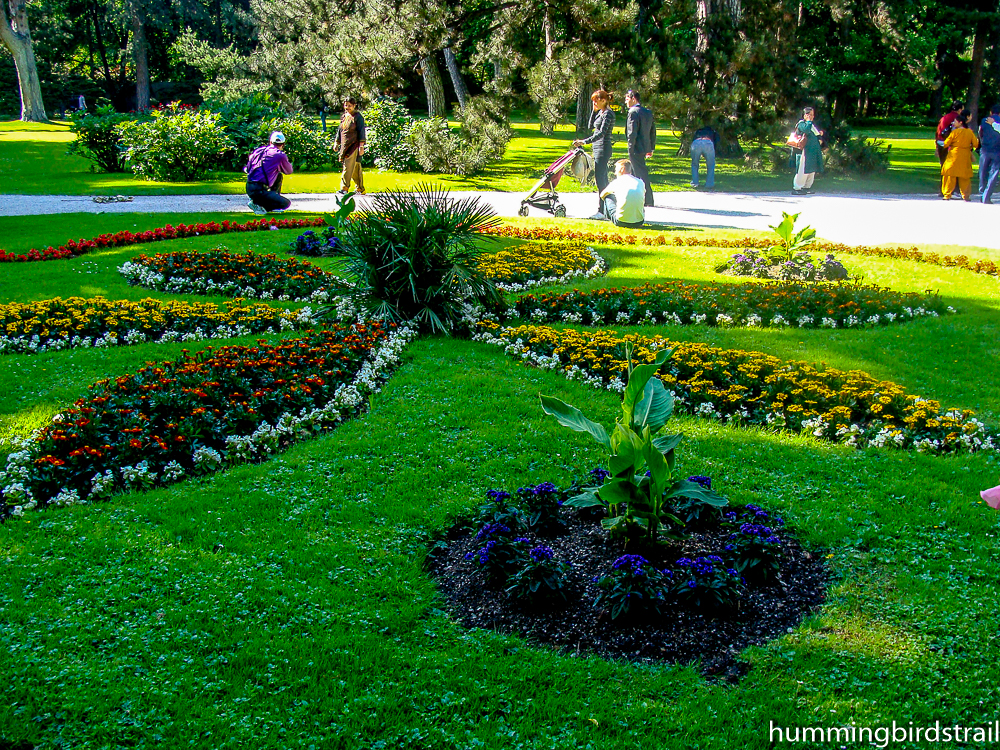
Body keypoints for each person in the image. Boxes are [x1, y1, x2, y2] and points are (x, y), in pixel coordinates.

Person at [573, 89, 616, 220]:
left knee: (601, 181)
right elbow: (591, 125)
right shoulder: (601, 113)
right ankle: (608, 210)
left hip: (603, 148)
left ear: (604, 100)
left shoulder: (608, 114)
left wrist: (584, 142)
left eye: (596, 101)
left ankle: (602, 211)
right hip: (597, 148)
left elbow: (601, 133)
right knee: (602, 180)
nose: (595, 103)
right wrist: (594, 110)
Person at [244, 131, 293, 214]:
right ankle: (258, 204)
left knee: (278, 176)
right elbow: (289, 171)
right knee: (285, 203)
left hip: (249, 187)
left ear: (270, 142)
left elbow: (248, 169)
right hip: (260, 190)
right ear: (283, 144)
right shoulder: (280, 155)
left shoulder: (258, 151)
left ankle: (259, 201)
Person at [624, 89, 656, 206]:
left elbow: (632, 132)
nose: (625, 102)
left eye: (627, 99)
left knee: (639, 174)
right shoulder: (647, 112)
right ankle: (642, 198)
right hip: (644, 147)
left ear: (633, 98)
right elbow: (653, 132)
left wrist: (630, 147)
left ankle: (646, 199)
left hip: (636, 148)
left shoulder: (633, 112)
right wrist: (651, 148)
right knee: (640, 172)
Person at [941, 111, 979, 201]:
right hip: (965, 155)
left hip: (954, 155)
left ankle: (947, 195)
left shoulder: (955, 132)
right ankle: (966, 195)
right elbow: (976, 144)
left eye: (955, 121)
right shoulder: (969, 132)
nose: (953, 123)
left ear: (960, 122)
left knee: (949, 175)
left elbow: (946, 144)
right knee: (965, 176)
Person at [598, 159, 645, 228]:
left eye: (616, 170)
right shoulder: (640, 182)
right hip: (639, 221)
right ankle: (636, 217)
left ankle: (607, 217)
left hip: (621, 221)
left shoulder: (617, 181)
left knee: (608, 196)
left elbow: (602, 194)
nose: (615, 173)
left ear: (622, 169)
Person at [335, 97, 366, 195]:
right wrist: (337, 142)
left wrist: (361, 146)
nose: (347, 107)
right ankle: (360, 188)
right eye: (345, 105)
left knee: (347, 167)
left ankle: (344, 188)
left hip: (354, 145)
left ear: (354, 106)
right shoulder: (344, 116)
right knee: (355, 167)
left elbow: (362, 131)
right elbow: (340, 130)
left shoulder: (358, 117)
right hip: (345, 145)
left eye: (349, 105)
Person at [790, 107, 824, 196]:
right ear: (805, 115)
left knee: (811, 170)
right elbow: (806, 131)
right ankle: (797, 188)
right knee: (802, 169)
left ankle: (807, 187)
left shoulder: (812, 125)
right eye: (810, 115)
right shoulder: (801, 124)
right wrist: (808, 121)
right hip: (804, 152)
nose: (812, 117)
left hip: (812, 152)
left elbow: (817, 135)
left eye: (813, 115)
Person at [979, 104, 1000, 204]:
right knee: (994, 173)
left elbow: (980, 132)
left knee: (983, 171)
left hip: (985, 148)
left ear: (991, 112)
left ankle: (982, 192)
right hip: (997, 150)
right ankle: (987, 195)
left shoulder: (984, 120)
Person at [690, 123, 719, 189]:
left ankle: (695, 183)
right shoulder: (713, 132)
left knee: (694, 164)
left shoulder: (698, 131)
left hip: (696, 142)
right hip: (708, 142)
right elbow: (716, 142)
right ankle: (709, 184)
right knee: (711, 165)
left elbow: (693, 139)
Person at [936, 101, 964, 166]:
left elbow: (938, 131)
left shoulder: (944, 117)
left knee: (943, 163)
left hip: (940, 141)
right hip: (950, 142)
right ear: (960, 110)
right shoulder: (957, 119)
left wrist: (937, 145)